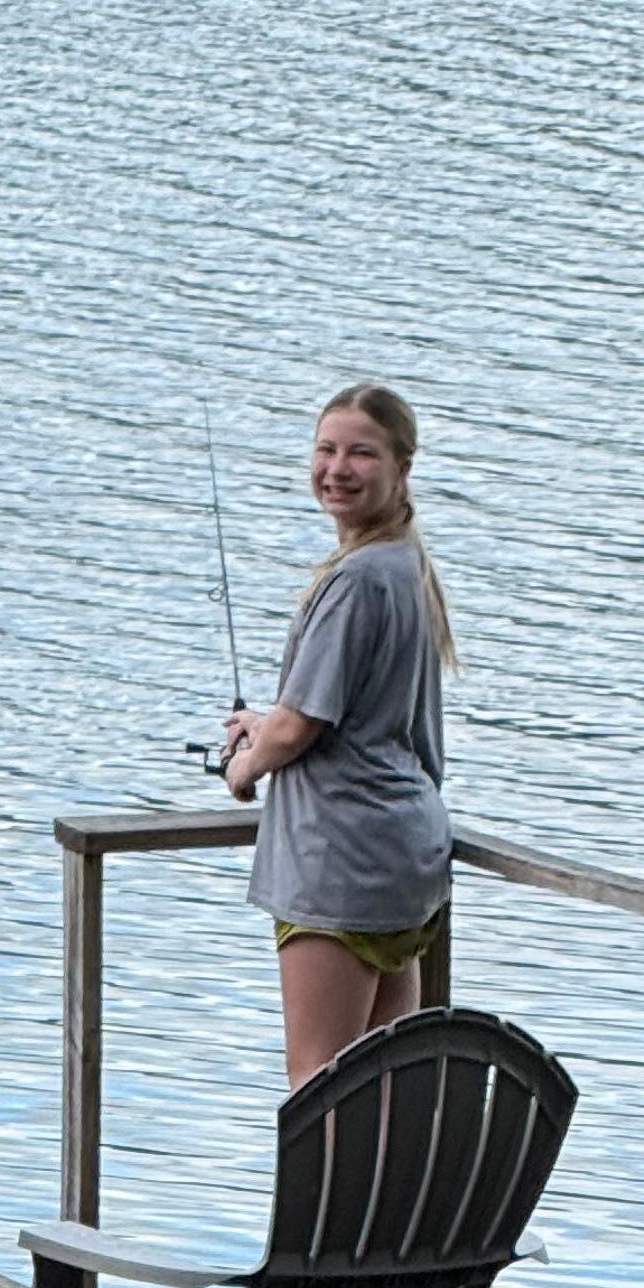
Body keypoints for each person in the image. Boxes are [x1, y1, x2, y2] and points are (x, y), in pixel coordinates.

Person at [219, 384, 456, 1086]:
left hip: (340, 863)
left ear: (401, 469)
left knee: (319, 1083)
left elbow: (299, 726)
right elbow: (349, 713)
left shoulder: (353, 582)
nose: (337, 468)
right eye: (326, 449)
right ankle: (381, 1202)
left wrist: (246, 766)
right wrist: (269, 725)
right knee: (380, 1087)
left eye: (361, 452)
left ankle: (325, 1202)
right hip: (403, 860)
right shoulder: (404, 564)